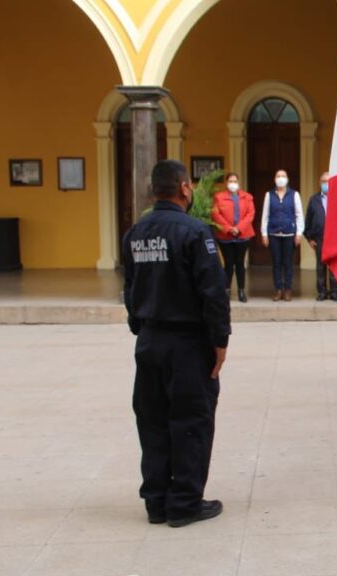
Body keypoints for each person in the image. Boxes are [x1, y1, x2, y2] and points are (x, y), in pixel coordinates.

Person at [122, 160, 230, 527]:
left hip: (150, 340)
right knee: (190, 420)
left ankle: (156, 500)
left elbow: (130, 288)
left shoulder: (136, 232)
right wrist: (219, 342)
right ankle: (184, 501)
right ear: (185, 188)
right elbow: (213, 292)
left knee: (152, 420)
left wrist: (140, 326)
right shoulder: (195, 232)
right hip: (186, 342)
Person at [260, 169, 303, 302]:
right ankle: (278, 290)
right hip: (273, 234)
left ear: (287, 178)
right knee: (276, 263)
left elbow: (299, 215)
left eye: (283, 176)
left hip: (290, 234)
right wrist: (264, 234)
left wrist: (299, 233)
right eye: (278, 176)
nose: (281, 178)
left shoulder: (294, 194)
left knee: (288, 263)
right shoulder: (269, 195)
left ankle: (288, 290)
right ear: (274, 179)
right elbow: (265, 215)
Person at [211, 172, 254, 303]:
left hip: (243, 235)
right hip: (225, 236)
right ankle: (227, 290)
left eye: (235, 181)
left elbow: (250, 214)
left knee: (240, 263)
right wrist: (229, 229)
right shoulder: (219, 197)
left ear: (239, 182)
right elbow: (216, 214)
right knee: (228, 264)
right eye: (230, 181)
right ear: (226, 183)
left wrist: (239, 228)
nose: (233, 184)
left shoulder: (247, 197)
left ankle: (241, 290)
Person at [304, 171, 337, 301]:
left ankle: (335, 292)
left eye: (328, 181)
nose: (326, 184)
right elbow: (308, 221)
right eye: (324, 181)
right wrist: (309, 238)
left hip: (335, 239)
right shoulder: (314, 200)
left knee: (334, 267)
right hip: (319, 238)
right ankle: (322, 292)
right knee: (320, 266)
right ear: (319, 183)